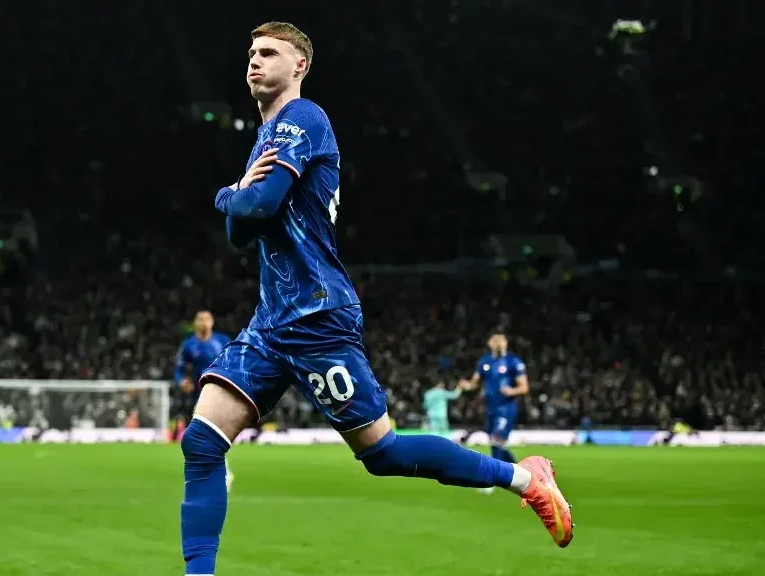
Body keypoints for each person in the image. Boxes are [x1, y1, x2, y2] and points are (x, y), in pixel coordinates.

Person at [179, 22, 573, 576]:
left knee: (383, 454)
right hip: (273, 320)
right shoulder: (265, 137)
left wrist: (230, 192)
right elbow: (239, 235)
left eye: (269, 52)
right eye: (250, 52)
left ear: (300, 67)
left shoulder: (304, 119)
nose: (254, 61)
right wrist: (240, 201)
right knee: (200, 442)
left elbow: (258, 207)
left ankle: (527, 480)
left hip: (317, 313)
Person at [459, 331, 530, 493]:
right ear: (489, 343)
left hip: (506, 408)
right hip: (490, 408)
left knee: (497, 439)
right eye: (494, 339)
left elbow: (524, 387)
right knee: (495, 443)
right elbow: (474, 383)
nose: (498, 342)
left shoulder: (513, 361)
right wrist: (466, 385)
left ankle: (491, 481)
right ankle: (521, 473)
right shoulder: (485, 362)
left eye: (501, 339)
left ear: (506, 342)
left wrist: (511, 391)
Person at [174, 310, 234, 491]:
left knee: (213, 434)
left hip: (219, 394)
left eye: (206, 319)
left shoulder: (222, 341)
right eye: (199, 319)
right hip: (197, 396)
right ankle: (212, 472)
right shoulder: (188, 345)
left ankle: (221, 472)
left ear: (212, 322)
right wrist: (182, 381)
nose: (203, 322)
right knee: (201, 436)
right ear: (194, 323)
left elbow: (234, 362)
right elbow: (179, 369)